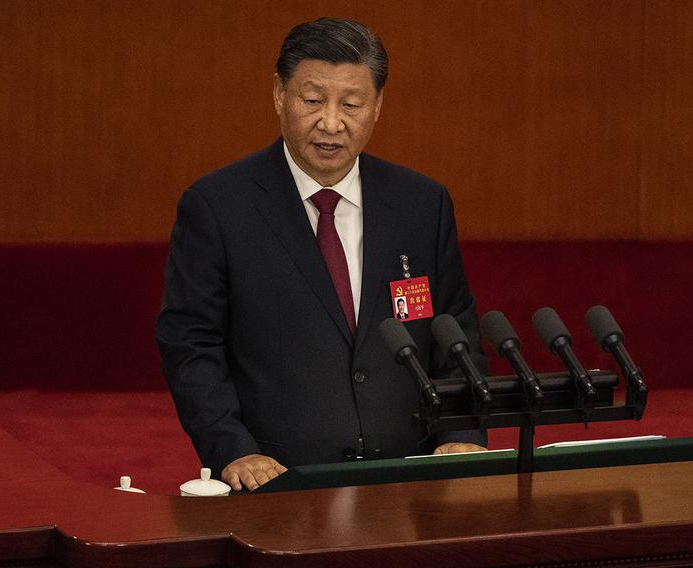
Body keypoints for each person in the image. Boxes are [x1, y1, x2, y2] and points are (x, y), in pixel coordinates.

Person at [156, 17, 487, 492]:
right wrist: (232, 447)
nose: (331, 123)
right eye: (312, 101)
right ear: (279, 95)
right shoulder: (218, 206)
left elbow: (455, 332)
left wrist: (461, 432)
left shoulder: (421, 204)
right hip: (278, 483)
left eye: (351, 104)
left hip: (409, 482)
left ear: (377, 107)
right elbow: (190, 345)